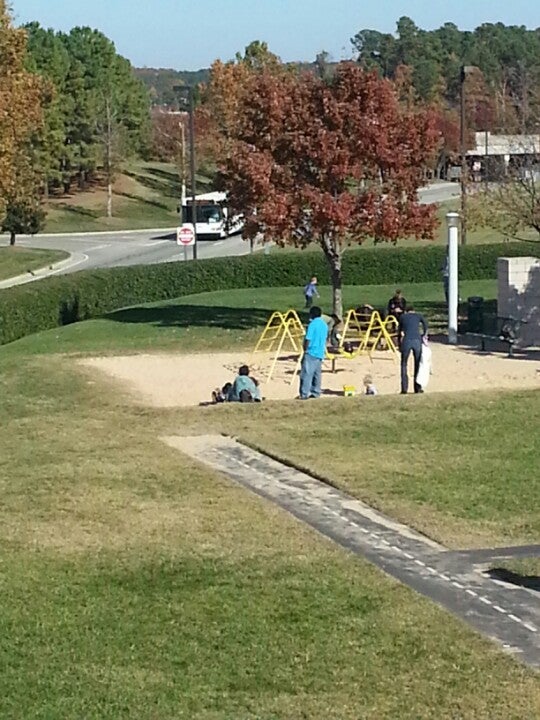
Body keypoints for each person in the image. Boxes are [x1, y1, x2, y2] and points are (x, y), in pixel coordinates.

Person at [299, 306, 328, 399]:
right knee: (317, 374)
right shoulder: (324, 325)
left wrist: (305, 349)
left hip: (311, 351)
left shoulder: (312, 324)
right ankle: (316, 392)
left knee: (306, 373)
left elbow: (308, 338)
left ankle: (304, 393)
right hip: (320, 351)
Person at [398, 306, 428, 394]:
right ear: (414, 310)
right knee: (418, 364)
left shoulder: (403, 317)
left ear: (406, 311)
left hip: (406, 340)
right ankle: (417, 387)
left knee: (404, 364)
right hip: (417, 340)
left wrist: (399, 345)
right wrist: (424, 334)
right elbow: (425, 323)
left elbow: (399, 331)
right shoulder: (418, 316)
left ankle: (404, 388)